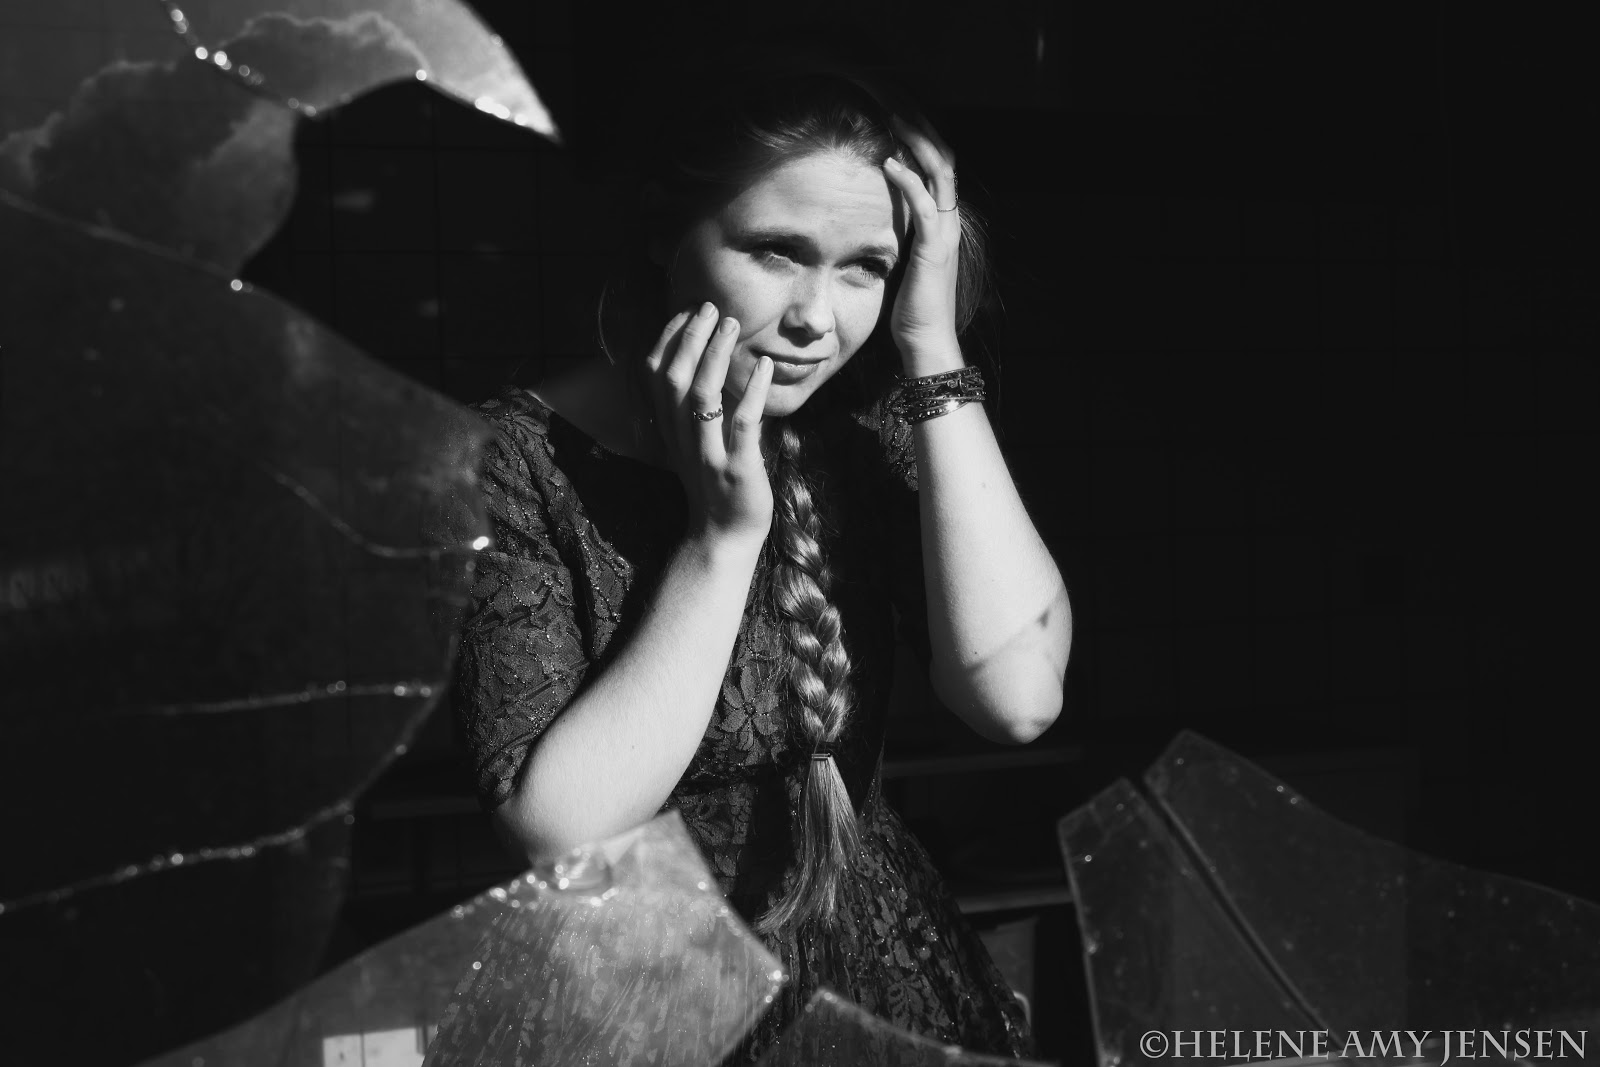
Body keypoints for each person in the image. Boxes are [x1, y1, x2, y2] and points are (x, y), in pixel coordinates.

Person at [449, 65, 1072, 1060]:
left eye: (865, 267)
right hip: (644, 1021)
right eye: (779, 251)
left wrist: (929, 342)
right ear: (665, 231)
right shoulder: (511, 462)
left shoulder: (863, 432)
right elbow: (565, 830)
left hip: (884, 1003)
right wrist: (721, 539)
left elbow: (1018, 696)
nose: (816, 317)